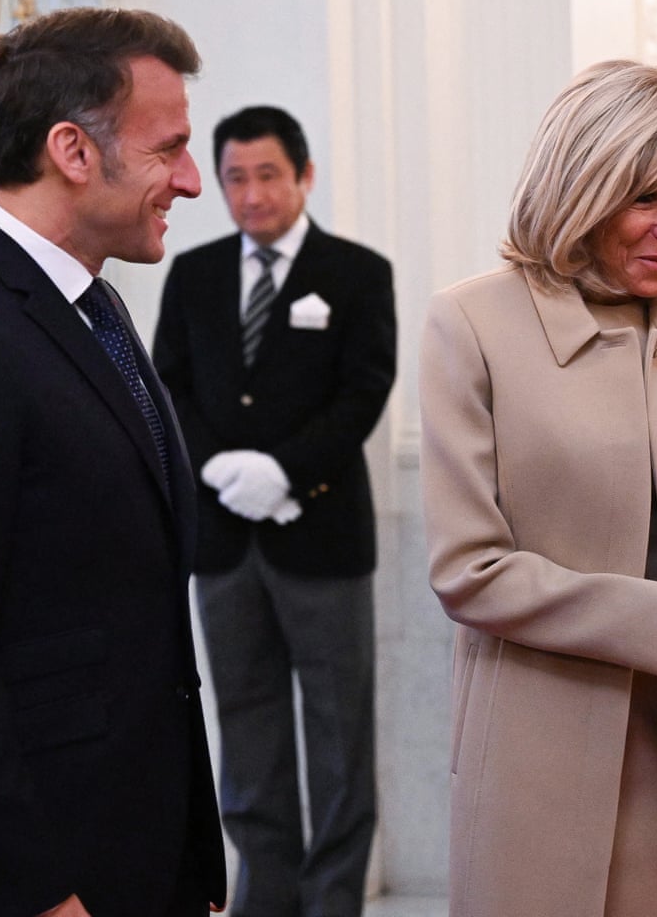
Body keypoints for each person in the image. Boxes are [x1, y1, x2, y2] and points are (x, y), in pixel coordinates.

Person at [0, 8, 226, 917]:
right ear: (72, 150)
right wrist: (35, 893)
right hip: (37, 873)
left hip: (132, 844)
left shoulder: (93, 307)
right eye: (169, 149)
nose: (190, 182)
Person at [419, 59, 657, 917]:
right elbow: (467, 568)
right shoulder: (471, 323)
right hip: (535, 761)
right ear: (580, 190)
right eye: (645, 199)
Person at [153, 105, 395, 917]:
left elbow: (365, 390)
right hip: (223, 544)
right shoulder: (193, 274)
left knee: (338, 739)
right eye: (233, 179)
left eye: (266, 176)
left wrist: (283, 470)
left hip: (320, 536)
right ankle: (265, 899)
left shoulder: (357, 272)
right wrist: (220, 466)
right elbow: (169, 386)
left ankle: (332, 904)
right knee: (247, 737)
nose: (250, 196)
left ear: (303, 176)